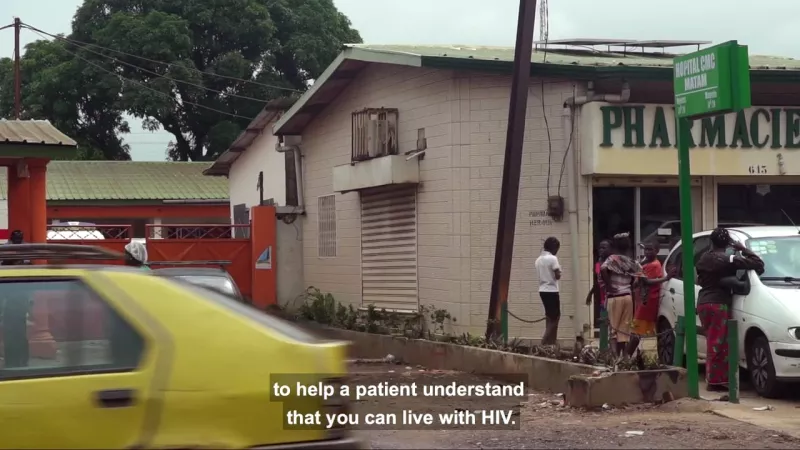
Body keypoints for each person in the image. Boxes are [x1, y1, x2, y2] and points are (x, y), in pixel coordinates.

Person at [696, 228, 764, 392]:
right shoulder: (728, 259)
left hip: (703, 302)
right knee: (718, 343)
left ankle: (718, 379)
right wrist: (743, 249)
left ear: (711, 242)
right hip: (717, 303)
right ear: (728, 243)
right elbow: (758, 263)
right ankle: (715, 381)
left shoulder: (704, 258)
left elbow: (700, 278)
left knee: (713, 340)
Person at [626, 239, 675, 356]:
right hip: (642, 300)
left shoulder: (654, 265)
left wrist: (666, 278)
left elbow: (646, 281)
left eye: (650, 250)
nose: (647, 252)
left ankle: (626, 357)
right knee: (635, 330)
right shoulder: (648, 263)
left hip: (647, 302)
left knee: (636, 331)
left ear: (657, 251)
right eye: (646, 250)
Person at [601, 232, 641, 356]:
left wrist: (609, 286)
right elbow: (639, 278)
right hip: (628, 297)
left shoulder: (612, 259)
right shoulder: (632, 262)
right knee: (624, 331)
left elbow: (603, 269)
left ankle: (614, 358)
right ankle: (622, 357)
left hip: (615, 297)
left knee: (613, 329)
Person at [535, 237, 562, 346]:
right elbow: (557, 275)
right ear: (554, 248)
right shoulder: (553, 258)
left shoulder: (538, 260)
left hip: (542, 290)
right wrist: (559, 271)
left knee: (549, 316)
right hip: (552, 290)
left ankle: (550, 343)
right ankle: (544, 341)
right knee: (555, 317)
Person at [586, 239, 612, 310]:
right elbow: (597, 280)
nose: (601, 250)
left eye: (604, 248)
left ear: (610, 249)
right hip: (601, 295)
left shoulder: (613, 262)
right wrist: (590, 293)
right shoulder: (598, 264)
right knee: (603, 314)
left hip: (612, 295)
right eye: (600, 248)